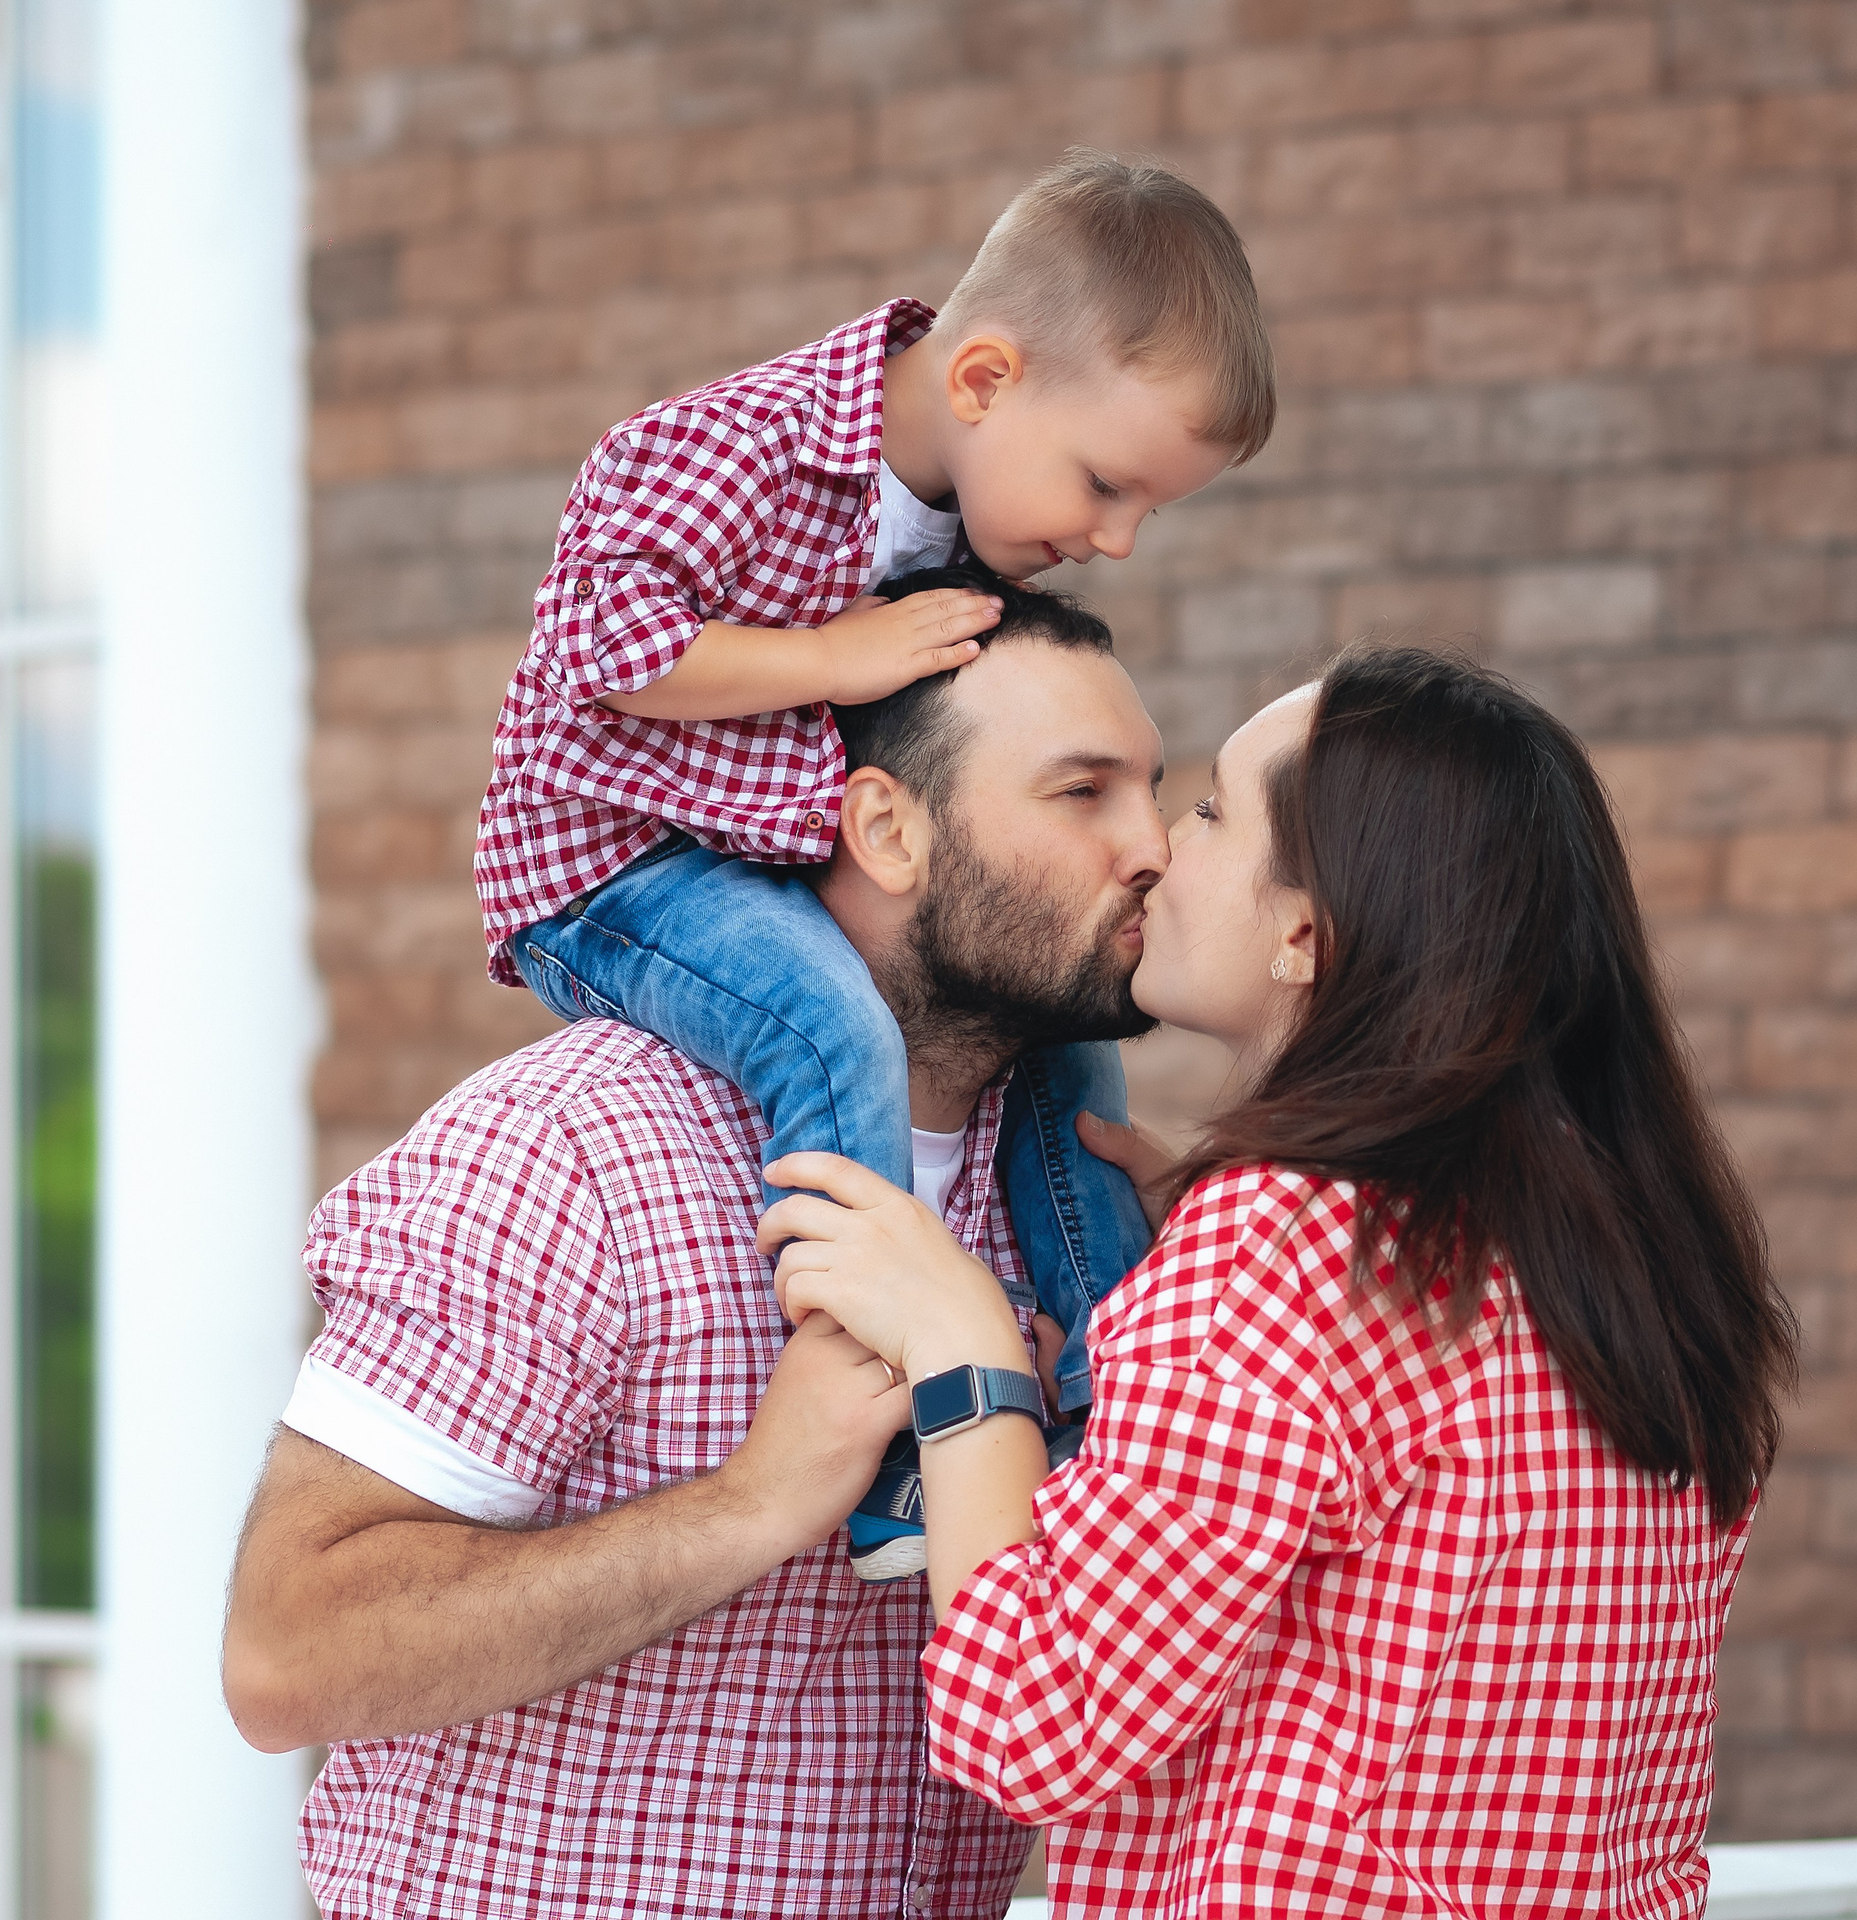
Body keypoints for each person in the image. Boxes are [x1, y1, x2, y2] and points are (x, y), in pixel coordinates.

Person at [763, 648, 1802, 1918]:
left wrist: (963, 1348)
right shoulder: (1641, 1240)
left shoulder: (1287, 1247)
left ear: (1304, 933)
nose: (1154, 849)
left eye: (1206, 810)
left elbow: (1035, 1722)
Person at [222, 581, 1169, 1918]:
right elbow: (287, 1651)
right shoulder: (568, 1150)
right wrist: (758, 1500)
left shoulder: (1094, 1213)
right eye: (1084, 794)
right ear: (887, 829)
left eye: (1157, 790)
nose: (1151, 849)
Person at [476, 148, 1274, 1579]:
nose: (1117, 540)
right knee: (830, 1024)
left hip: (760, 847)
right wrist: (832, 655)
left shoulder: (973, 513)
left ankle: (1100, 1416)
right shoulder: (747, 444)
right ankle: (888, 1431)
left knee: (1070, 1055)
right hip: (616, 864)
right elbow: (606, 648)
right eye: (1105, 485)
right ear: (979, 380)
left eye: (1150, 508)